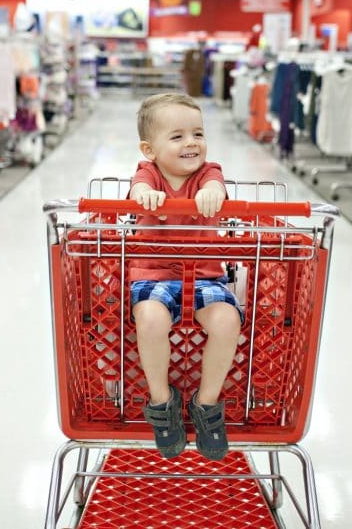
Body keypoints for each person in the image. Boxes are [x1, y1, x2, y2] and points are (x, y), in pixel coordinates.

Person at [128, 93, 240, 461]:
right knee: (150, 318)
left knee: (227, 320)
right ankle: (162, 400)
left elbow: (216, 185)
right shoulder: (148, 173)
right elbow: (137, 188)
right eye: (176, 136)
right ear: (150, 149)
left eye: (198, 134)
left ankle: (206, 403)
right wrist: (143, 194)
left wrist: (212, 193)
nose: (191, 143)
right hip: (153, 272)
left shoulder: (209, 172)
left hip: (204, 274)